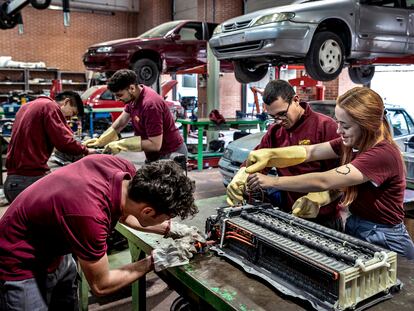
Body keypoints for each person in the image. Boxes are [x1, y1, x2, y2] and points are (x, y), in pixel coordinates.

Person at [0, 154, 201, 310]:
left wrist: (170, 229)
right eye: (167, 218)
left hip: (55, 248)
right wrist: (157, 260)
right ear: (148, 211)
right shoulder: (89, 216)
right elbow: (102, 285)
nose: (168, 221)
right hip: (20, 261)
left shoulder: (124, 172)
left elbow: (124, 212)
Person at [246, 87, 414, 259]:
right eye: (338, 122)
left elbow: (324, 180)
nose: (338, 130)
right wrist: (270, 155)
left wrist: (272, 181)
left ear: (367, 125)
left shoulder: (382, 154)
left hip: (384, 236)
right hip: (356, 224)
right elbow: (311, 152)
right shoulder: (354, 144)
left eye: (345, 125)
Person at [227, 79, 342, 230]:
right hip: (290, 214)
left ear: (296, 100)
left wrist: (322, 197)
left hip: (323, 218)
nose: (279, 121)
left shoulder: (325, 127)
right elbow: (258, 159)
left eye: (282, 114)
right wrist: (241, 176)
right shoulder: (275, 132)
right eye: (273, 117)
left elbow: (343, 176)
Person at [4, 91, 96, 203]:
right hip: (28, 180)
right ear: (66, 102)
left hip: (12, 181)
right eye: (70, 114)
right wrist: (86, 151)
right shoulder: (50, 106)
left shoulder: (27, 106)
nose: (67, 120)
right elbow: (64, 142)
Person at [84, 69, 187, 162]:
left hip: (171, 154)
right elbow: (121, 122)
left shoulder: (150, 105)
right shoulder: (134, 97)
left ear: (132, 88)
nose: (117, 99)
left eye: (119, 95)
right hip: (155, 155)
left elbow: (155, 145)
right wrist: (102, 140)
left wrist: (121, 144)